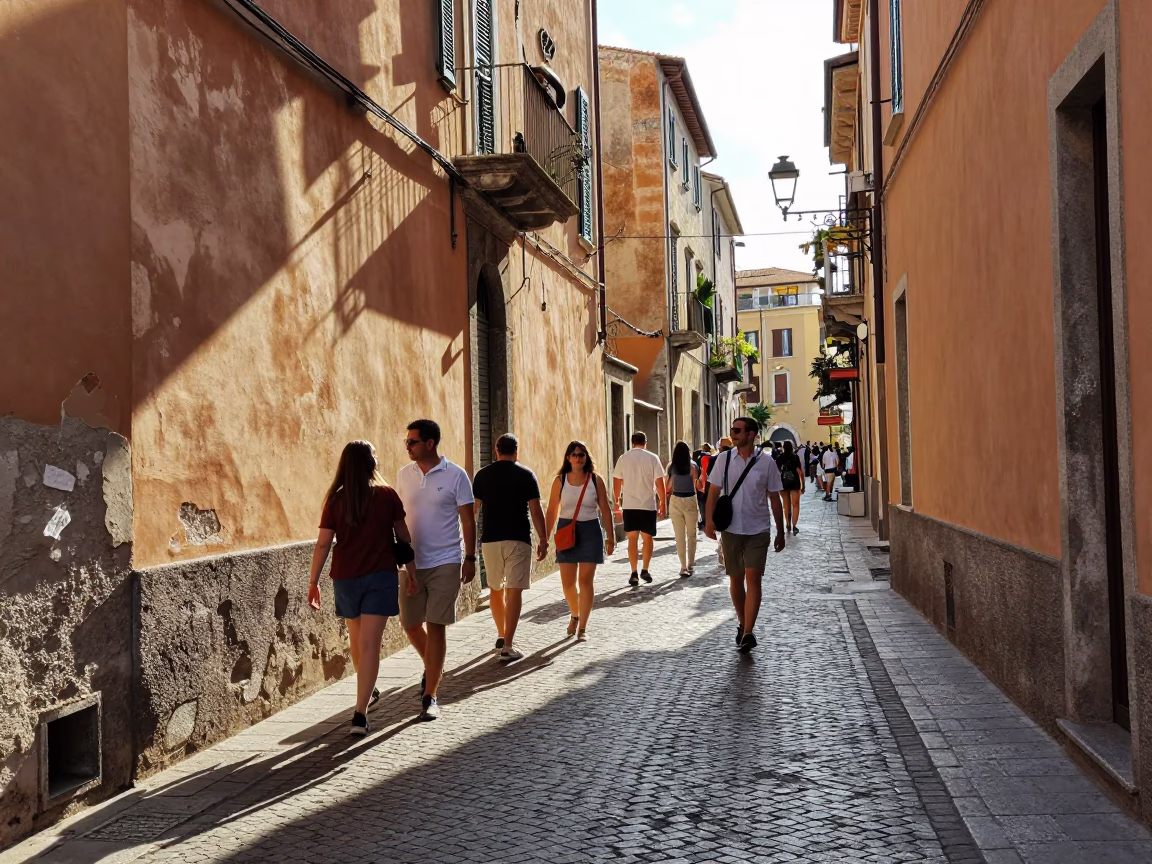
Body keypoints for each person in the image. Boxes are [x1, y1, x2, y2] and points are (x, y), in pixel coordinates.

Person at [307, 440, 410, 736]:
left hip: (346, 578)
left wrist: (313, 582)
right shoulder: (387, 495)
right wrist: (411, 566)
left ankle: (366, 690)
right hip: (379, 576)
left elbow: (323, 543)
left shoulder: (335, 500)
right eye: (374, 455)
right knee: (369, 645)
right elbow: (403, 536)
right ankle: (360, 714)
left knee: (357, 641)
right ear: (370, 463)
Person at [397, 419, 476, 722]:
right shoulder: (404, 475)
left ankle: (430, 695)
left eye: (412, 441)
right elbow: (398, 518)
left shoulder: (456, 475)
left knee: (436, 625)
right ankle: (434, 667)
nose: (407, 446)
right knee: (410, 623)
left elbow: (467, 519)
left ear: (430, 443)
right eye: (407, 441)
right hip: (411, 564)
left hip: (446, 560)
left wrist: (470, 558)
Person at [704, 417, 786, 654]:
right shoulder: (723, 459)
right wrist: (709, 521)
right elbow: (713, 492)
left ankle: (748, 632)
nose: (733, 433)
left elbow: (775, 498)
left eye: (737, 430)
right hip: (731, 529)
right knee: (736, 578)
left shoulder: (767, 462)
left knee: (754, 578)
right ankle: (743, 624)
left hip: (758, 529)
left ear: (751, 434)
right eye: (732, 429)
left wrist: (781, 531)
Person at [472, 433, 547, 663]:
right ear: (516, 451)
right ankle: (508, 645)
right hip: (518, 538)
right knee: (514, 591)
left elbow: (473, 511)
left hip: (490, 540)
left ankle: (500, 634)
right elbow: (536, 511)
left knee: (495, 589)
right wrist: (544, 539)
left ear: (496, 450)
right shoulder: (526, 475)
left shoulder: (482, 475)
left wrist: (468, 541)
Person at [543, 441, 616, 641]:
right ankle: (575, 614)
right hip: (566, 530)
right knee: (568, 584)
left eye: (581, 454)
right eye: (574, 454)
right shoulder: (560, 481)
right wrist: (544, 538)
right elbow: (552, 510)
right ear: (568, 458)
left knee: (585, 581)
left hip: (591, 531)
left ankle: (582, 627)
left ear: (586, 457)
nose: (578, 458)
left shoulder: (595, 480)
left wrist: (610, 537)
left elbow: (605, 509)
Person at [611, 432, 667, 586]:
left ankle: (634, 572)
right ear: (645, 442)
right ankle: (645, 569)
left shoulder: (623, 458)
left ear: (632, 442)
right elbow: (659, 483)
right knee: (648, 539)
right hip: (648, 505)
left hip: (630, 505)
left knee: (632, 539)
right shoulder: (653, 458)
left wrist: (617, 501)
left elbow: (617, 481)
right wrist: (663, 502)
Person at [665, 441, 700, 577]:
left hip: (676, 500)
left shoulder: (671, 467)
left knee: (679, 536)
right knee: (692, 535)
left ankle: (683, 567)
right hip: (690, 499)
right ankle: (690, 565)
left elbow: (668, 487)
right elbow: (696, 484)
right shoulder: (693, 466)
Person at [778, 440, 804, 536]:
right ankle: (794, 525)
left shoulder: (780, 457)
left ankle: (788, 523)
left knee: (786, 504)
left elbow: (776, 472)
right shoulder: (795, 457)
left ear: (783, 447)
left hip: (783, 482)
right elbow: (800, 471)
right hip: (794, 482)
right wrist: (803, 485)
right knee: (795, 504)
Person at [696, 443, 714, 529]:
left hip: (702, 483)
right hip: (710, 483)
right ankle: (710, 519)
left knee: (701, 502)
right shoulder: (712, 457)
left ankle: (704, 520)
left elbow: (700, 471)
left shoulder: (699, 457)